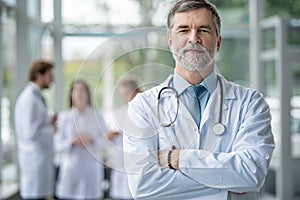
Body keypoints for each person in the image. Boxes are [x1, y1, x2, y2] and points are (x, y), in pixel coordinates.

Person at [122, 0, 275, 199]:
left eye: (203, 30)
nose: (193, 39)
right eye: (183, 30)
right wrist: (228, 187)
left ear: (218, 42)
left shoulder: (251, 103)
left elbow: (251, 173)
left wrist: (176, 158)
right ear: (170, 41)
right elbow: (143, 186)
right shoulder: (142, 107)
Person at [54, 80, 108, 200]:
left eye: (82, 90)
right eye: (76, 90)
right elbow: (56, 145)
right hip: (70, 172)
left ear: (88, 94)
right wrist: (72, 142)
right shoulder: (64, 117)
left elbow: (106, 142)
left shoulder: (97, 116)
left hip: (92, 170)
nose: (79, 94)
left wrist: (92, 140)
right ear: (71, 95)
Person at [14, 60, 57, 200]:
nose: (53, 79)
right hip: (34, 161)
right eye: (50, 75)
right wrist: (52, 128)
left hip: (40, 161)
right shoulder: (29, 99)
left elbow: (36, 124)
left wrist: (49, 121)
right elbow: (29, 133)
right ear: (39, 76)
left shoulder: (36, 97)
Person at [108, 76, 142, 200]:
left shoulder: (143, 110)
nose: (124, 97)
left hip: (137, 165)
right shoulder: (120, 112)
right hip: (120, 165)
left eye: (127, 93)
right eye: (122, 94)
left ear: (136, 91)